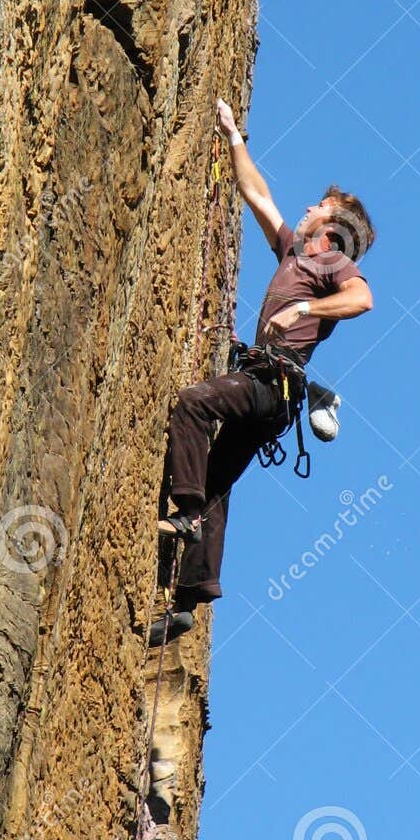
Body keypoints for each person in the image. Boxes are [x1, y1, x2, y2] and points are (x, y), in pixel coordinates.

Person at [150, 98, 374, 646]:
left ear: (334, 227)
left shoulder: (331, 262)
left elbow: (363, 299)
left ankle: (185, 513)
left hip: (272, 386)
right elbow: (258, 195)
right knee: (218, 477)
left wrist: (304, 310)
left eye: (320, 205)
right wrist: (233, 136)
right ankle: (191, 596)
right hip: (267, 392)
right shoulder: (295, 253)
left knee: (194, 403)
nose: (308, 206)